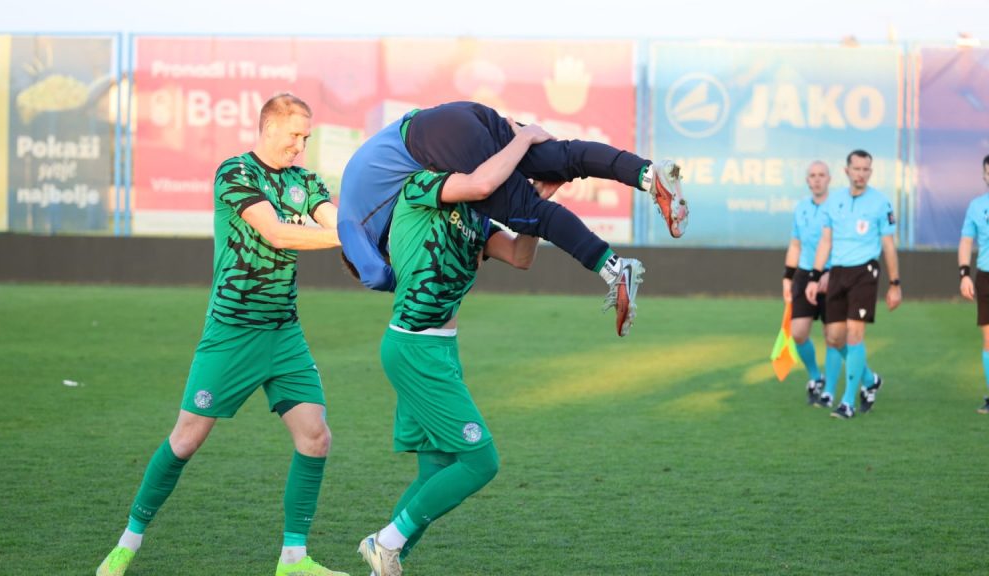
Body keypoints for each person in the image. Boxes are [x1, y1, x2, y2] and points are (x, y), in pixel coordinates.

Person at [96, 93, 348, 576]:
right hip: (232, 331)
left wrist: (360, 234)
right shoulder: (235, 172)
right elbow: (277, 233)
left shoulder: (306, 181)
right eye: (295, 135)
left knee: (316, 437)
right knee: (186, 440)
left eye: (307, 137)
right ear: (268, 127)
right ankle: (127, 542)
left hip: (284, 332)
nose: (301, 145)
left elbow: (332, 219)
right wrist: (352, 237)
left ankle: (293, 560)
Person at [355, 119, 554, 576]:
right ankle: (385, 543)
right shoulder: (424, 184)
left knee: (436, 470)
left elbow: (521, 257)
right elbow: (482, 181)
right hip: (415, 348)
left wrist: (538, 205)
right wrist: (525, 137)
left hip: (441, 350)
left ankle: (385, 560)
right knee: (481, 462)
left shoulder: (479, 219)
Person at [337, 101, 689, 337]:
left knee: (528, 213)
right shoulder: (415, 206)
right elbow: (520, 257)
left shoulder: (352, 227)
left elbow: (374, 275)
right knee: (560, 159)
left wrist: (402, 279)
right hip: (455, 119)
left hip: (431, 140)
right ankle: (649, 175)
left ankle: (614, 269)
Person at [805, 150, 900, 419]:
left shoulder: (881, 203)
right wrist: (814, 277)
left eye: (865, 169)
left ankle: (847, 401)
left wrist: (895, 283)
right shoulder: (834, 202)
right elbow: (825, 241)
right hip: (837, 273)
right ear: (847, 171)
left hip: (864, 272)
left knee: (855, 334)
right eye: (856, 169)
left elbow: (888, 246)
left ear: (871, 172)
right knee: (834, 338)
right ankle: (870, 379)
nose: (861, 174)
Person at [782, 161, 832, 404]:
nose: (817, 179)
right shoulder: (801, 207)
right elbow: (795, 244)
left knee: (832, 335)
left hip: (832, 273)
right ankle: (815, 377)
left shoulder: (837, 207)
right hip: (803, 274)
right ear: (807, 180)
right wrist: (787, 278)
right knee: (798, 333)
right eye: (812, 175)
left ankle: (831, 388)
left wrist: (831, 273)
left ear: (829, 179)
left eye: (821, 175)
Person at [957, 154, 989, 413]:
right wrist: (964, 274)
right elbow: (967, 241)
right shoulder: (977, 206)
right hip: (985, 276)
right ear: (984, 175)